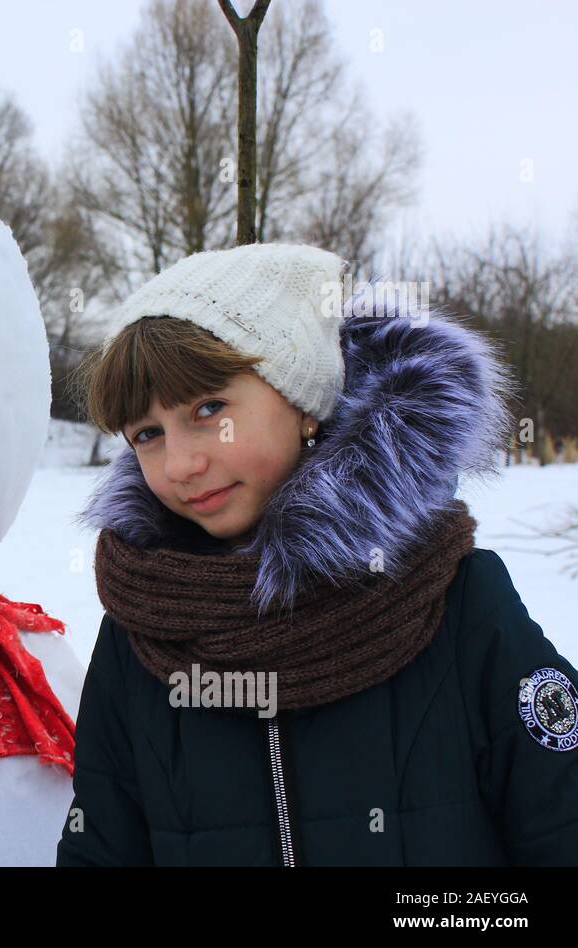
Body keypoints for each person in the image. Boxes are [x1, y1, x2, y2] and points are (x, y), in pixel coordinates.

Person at [57, 242, 578, 865]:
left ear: (301, 402)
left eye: (209, 409)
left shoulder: (458, 601)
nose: (181, 464)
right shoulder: (140, 633)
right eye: (147, 434)